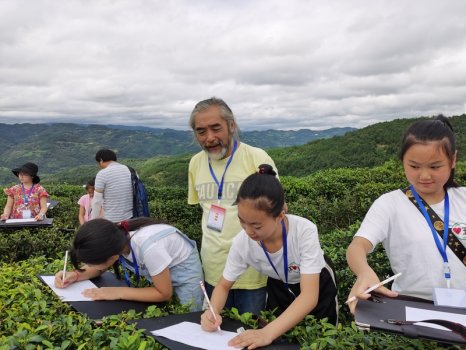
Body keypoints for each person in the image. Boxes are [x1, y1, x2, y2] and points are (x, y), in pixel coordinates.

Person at [201, 164, 338, 349]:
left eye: (256, 226)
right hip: (278, 284)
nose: (248, 231)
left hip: (316, 283)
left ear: (280, 215)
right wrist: (213, 311)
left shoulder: (304, 231)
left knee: (322, 338)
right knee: (282, 339)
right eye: (242, 221)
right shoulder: (242, 243)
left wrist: (266, 333)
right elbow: (224, 286)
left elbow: (309, 296)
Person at [346, 115, 466, 313]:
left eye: (435, 166)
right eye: (414, 166)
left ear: (452, 160)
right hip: (412, 313)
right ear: (403, 161)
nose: (425, 175)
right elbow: (357, 246)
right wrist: (364, 272)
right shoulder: (389, 204)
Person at [188, 97, 278, 315]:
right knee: (213, 330)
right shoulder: (195, 163)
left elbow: (276, 211)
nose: (209, 138)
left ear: (232, 125)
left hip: (252, 270)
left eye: (216, 128)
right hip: (213, 268)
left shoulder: (256, 158)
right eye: (201, 131)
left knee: (248, 332)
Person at [54, 218, 204, 311]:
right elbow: (98, 269)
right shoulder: (115, 239)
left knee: (189, 313)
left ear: (112, 257)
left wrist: (117, 292)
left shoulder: (149, 248)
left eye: (91, 263)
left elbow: (164, 293)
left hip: (184, 271)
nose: (88, 266)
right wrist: (74, 275)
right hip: (160, 266)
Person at [90, 149, 133, 223]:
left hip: (111, 220)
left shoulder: (102, 173)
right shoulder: (130, 170)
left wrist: (93, 221)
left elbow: (97, 201)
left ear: (101, 160)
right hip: (130, 218)